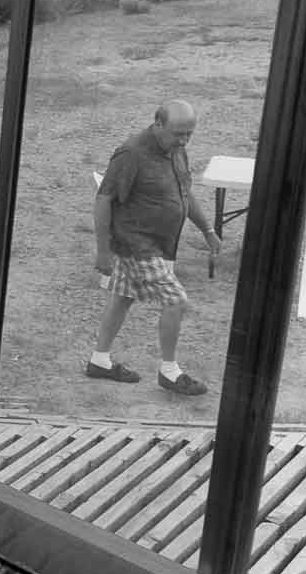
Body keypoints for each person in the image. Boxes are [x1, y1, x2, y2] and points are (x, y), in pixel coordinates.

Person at [90, 99, 221, 396]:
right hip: (137, 243)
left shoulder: (176, 151)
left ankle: (99, 361)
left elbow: (184, 194)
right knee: (176, 300)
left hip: (160, 244)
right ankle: (170, 372)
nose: (184, 140)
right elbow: (104, 199)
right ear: (158, 123)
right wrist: (103, 250)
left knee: (123, 296)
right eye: (178, 133)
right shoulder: (131, 154)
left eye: (190, 133)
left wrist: (208, 230)